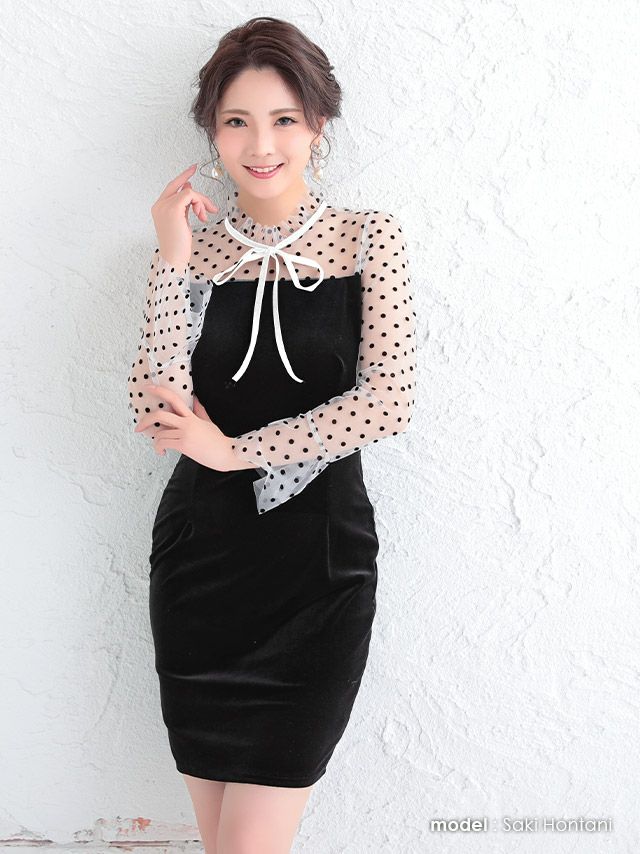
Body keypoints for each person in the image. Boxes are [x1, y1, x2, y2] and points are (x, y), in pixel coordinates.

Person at [127, 15, 417, 854]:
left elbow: (389, 401)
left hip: (318, 568)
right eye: (237, 121)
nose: (261, 144)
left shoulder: (368, 238)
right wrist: (171, 258)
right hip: (201, 568)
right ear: (212, 133)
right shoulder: (196, 252)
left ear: (318, 123)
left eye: (284, 119)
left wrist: (236, 450)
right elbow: (155, 408)